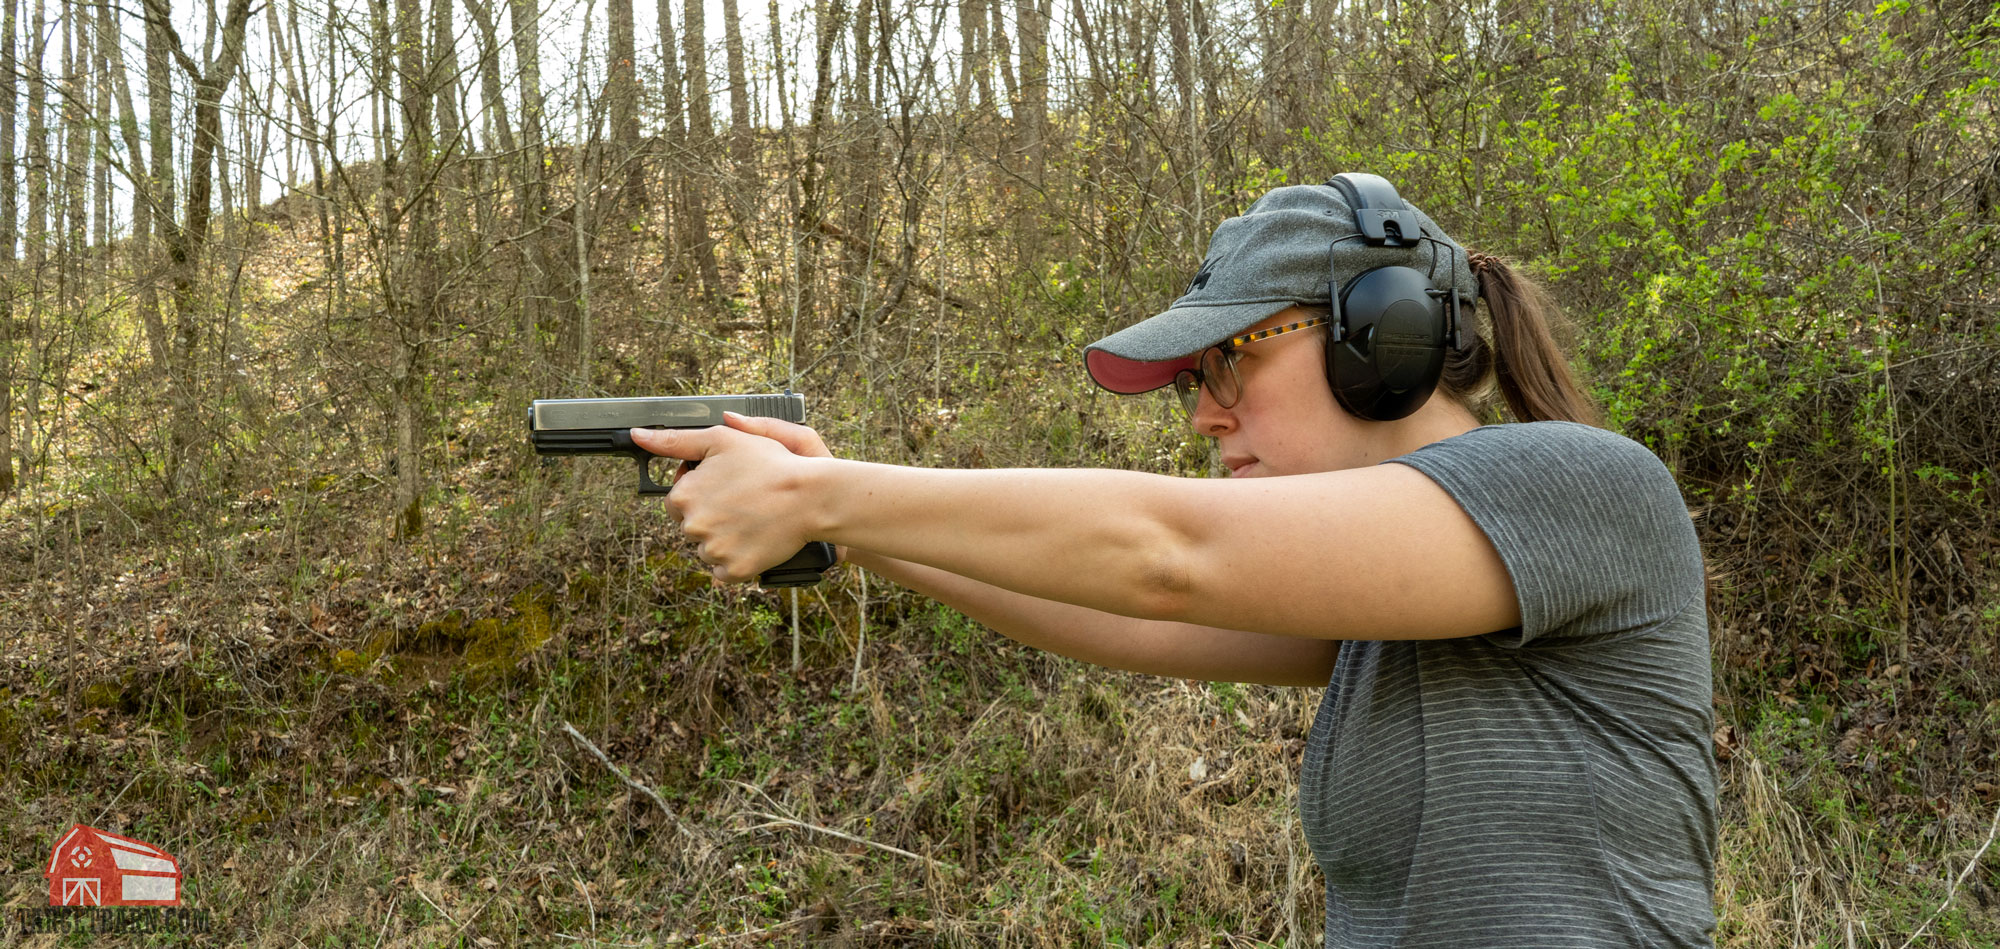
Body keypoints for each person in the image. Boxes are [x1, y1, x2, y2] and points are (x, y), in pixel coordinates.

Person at [632, 176, 1718, 948]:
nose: (1201, 413)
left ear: (1375, 335)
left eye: (1226, 362)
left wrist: (829, 493)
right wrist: (855, 527)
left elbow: (1165, 556)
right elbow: (1137, 622)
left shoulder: (1583, 485)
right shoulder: (1390, 597)